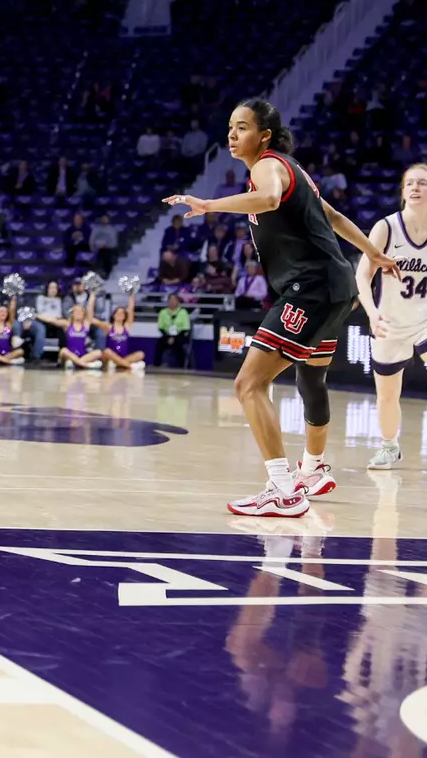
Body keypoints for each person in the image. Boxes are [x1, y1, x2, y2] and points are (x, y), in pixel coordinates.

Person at [165, 97, 399, 518]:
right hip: (334, 285)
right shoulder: (299, 173)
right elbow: (332, 216)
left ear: (265, 135)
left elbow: (270, 199)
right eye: (230, 127)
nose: (233, 135)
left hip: (309, 288)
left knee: (248, 385)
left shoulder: (267, 166)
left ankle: (284, 490)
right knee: (309, 378)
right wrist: (373, 253)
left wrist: (209, 205)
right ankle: (311, 469)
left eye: (242, 127)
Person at [357, 162, 427, 469]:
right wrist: (372, 314)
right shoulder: (386, 227)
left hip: (424, 321)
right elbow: (362, 276)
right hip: (389, 322)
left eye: (422, 183)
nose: (415, 187)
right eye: (410, 183)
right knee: (386, 397)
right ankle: (389, 447)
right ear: (402, 192)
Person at [100, 296, 145, 371]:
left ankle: (119, 364)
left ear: (125, 316)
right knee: (106, 351)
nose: (120, 314)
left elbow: (131, 310)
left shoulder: (126, 327)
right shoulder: (108, 327)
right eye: (118, 312)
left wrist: (131, 295)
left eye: (123, 313)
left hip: (123, 357)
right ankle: (128, 366)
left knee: (141, 354)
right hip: (110, 357)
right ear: (114, 315)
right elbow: (91, 319)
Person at [57, 303, 105, 370]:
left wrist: (92, 294)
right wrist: (38, 315)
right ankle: (86, 365)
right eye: (76, 311)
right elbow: (51, 320)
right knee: (63, 351)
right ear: (72, 314)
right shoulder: (67, 324)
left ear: (84, 314)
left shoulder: (85, 324)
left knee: (99, 352)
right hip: (69, 355)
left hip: (83, 355)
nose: (78, 313)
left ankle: (75, 363)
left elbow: (90, 309)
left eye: (80, 311)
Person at [155, 294, 191, 368]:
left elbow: (186, 328)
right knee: (159, 343)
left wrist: (174, 338)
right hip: (167, 335)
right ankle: (157, 365)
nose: (172, 302)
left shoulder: (183, 312)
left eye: (174, 300)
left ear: (178, 302)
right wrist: (169, 337)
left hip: (180, 335)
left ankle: (182, 367)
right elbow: (160, 327)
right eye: (170, 300)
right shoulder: (163, 312)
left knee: (180, 345)